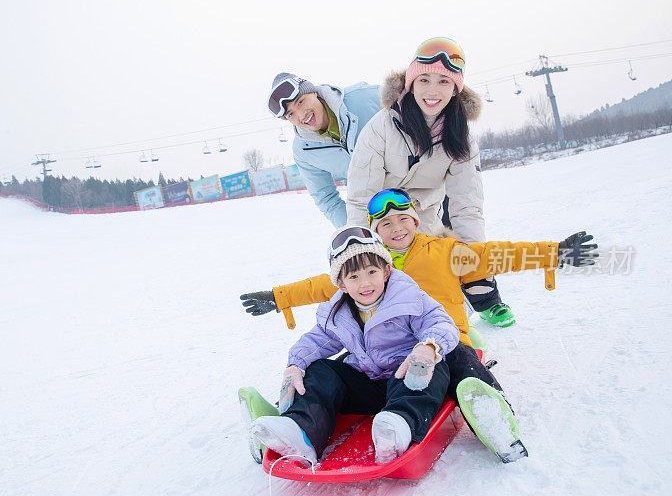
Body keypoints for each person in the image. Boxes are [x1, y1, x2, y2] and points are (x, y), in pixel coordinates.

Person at [239, 188, 598, 463]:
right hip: (387, 361)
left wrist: (555, 252)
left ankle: (494, 417)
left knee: (463, 367)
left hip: (446, 345)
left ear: (416, 221)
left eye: (403, 220)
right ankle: (288, 418)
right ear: (377, 233)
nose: (397, 229)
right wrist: (278, 297)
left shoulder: (445, 251)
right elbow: (320, 287)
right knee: (330, 369)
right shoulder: (366, 264)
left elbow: (498, 255)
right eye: (386, 225)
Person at [249, 226, 459, 465]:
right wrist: (295, 365)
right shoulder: (338, 313)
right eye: (354, 277)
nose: (365, 283)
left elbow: (440, 322)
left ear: (387, 271)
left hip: (408, 380)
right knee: (320, 369)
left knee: (434, 364)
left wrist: (427, 348)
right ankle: (301, 432)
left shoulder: (409, 297)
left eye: (372, 272)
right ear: (341, 284)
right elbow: (316, 341)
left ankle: (399, 426)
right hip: (368, 385)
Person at [343, 37, 514, 328]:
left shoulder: (461, 137)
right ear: (410, 84)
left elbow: (466, 205)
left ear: (456, 90)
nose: (432, 91)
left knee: (446, 265)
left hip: (425, 217)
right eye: (424, 79)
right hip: (383, 217)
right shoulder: (380, 128)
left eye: (444, 82)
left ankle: (485, 300)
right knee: (385, 279)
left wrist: (475, 258)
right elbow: (361, 197)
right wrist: (359, 252)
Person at [267, 73, 380, 227]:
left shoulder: (365, 97)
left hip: (418, 196)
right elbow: (326, 199)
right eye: (291, 114)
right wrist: (356, 231)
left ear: (313, 92)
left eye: (300, 102)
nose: (301, 115)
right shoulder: (304, 151)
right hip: (379, 215)